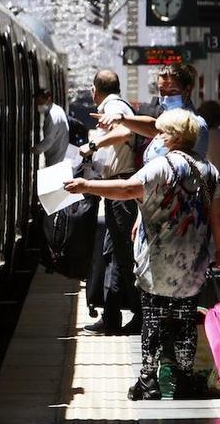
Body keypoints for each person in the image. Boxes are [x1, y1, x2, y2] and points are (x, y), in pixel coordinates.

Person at [64, 109, 220, 401]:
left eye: (163, 133)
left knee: (153, 320)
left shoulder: (161, 167)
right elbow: (218, 218)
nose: (159, 138)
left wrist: (87, 186)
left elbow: (127, 189)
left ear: (177, 136)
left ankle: (148, 381)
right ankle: (184, 379)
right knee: (184, 321)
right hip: (192, 265)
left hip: (158, 262)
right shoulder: (209, 170)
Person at [78, 70, 141, 335]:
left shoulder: (114, 106)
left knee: (124, 256)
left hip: (122, 191)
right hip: (116, 189)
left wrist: (93, 145)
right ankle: (112, 316)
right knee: (115, 254)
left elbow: (125, 132)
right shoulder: (116, 105)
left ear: (95, 89)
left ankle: (140, 315)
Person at [92, 63, 209, 164]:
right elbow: (154, 126)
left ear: (187, 91)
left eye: (173, 91)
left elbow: (154, 128)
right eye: (162, 92)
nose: (166, 97)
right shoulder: (167, 117)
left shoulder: (194, 125)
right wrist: (121, 119)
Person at [32, 88, 69, 167]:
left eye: (40, 102)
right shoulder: (58, 110)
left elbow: (48, 141)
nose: (38, 105)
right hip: (60, 156)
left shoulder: (52, 116)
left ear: (48, 99)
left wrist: (34, 149)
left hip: (56, 160)